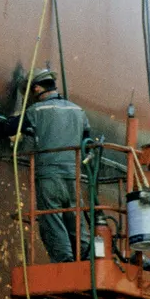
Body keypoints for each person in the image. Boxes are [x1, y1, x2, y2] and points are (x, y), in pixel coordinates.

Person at [18, 68, 91, 263]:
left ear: (36, 88)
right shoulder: (78, 111)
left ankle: (63, 261)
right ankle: (86, 256)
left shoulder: (36, 110)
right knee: (75, 219)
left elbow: (11, 126)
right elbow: (87, 140)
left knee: (52, 220)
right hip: (73, 177)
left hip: (49, 175)